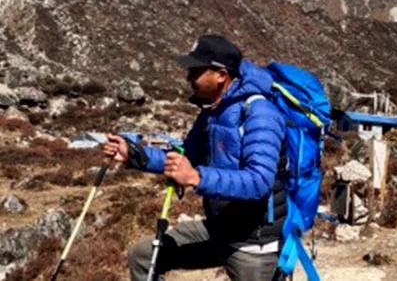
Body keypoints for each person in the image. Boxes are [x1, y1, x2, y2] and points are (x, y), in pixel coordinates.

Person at [103, 34, 287, 281]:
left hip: (252, 242)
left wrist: (196, 177)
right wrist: (134, 155)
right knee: (144, 256)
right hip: (219, 228)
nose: (188, 77)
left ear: (221, 74)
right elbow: (185, 156)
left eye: (196, 71)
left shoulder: (260, 113)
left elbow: (259, 181)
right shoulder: (213, 111)